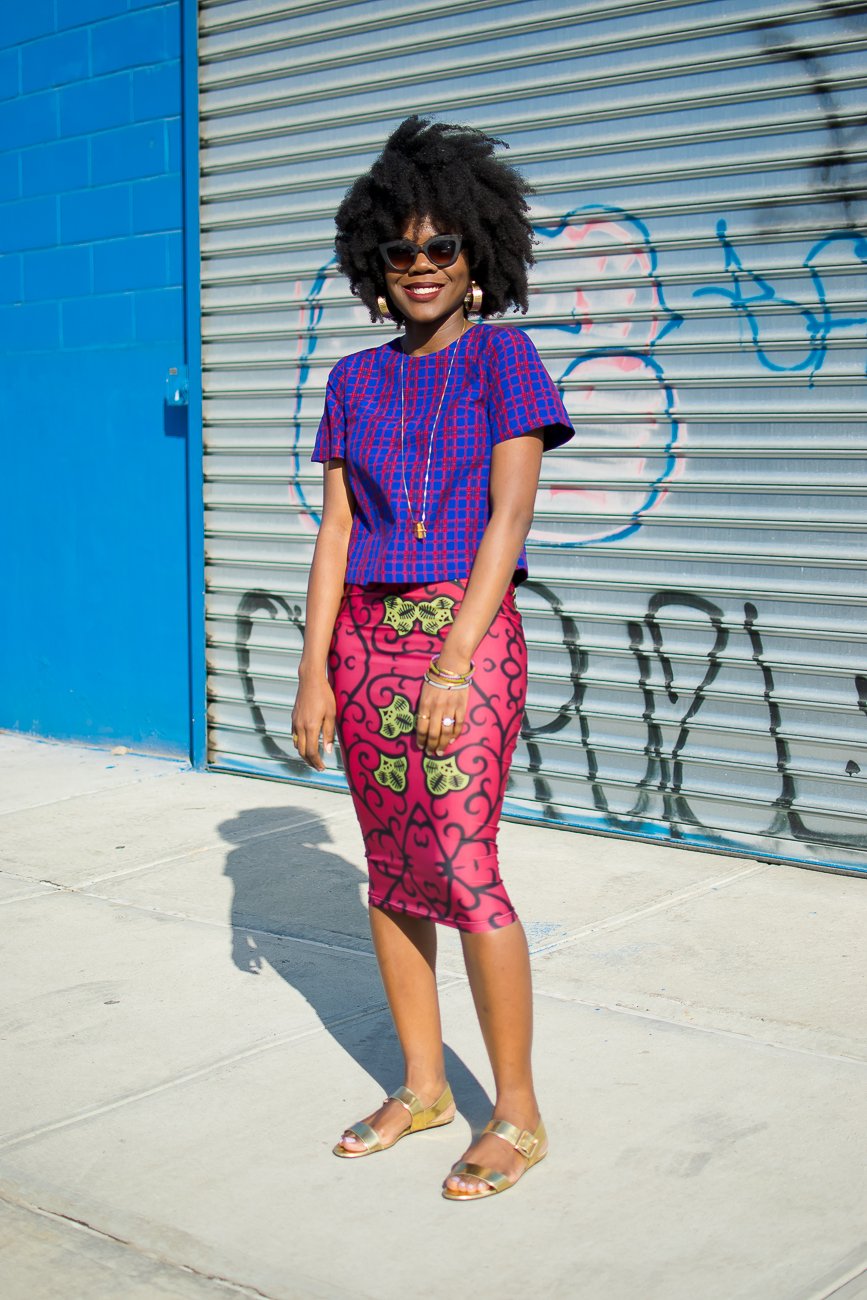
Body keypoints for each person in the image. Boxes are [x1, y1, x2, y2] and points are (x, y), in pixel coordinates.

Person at [291, 116, 574, 1201]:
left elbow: (509, 517)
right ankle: (421, 1089)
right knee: (390, 866)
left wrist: (455, 661)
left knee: (461, 862)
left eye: (441, 247)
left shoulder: (505, 359)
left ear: (475, 254)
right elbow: (336, 530)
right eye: (401, 250)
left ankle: (518, 1112)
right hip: (363, 643)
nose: (421, 266)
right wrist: (314, 669)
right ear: (375, 260)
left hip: (466, 635)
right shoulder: (352, 381)